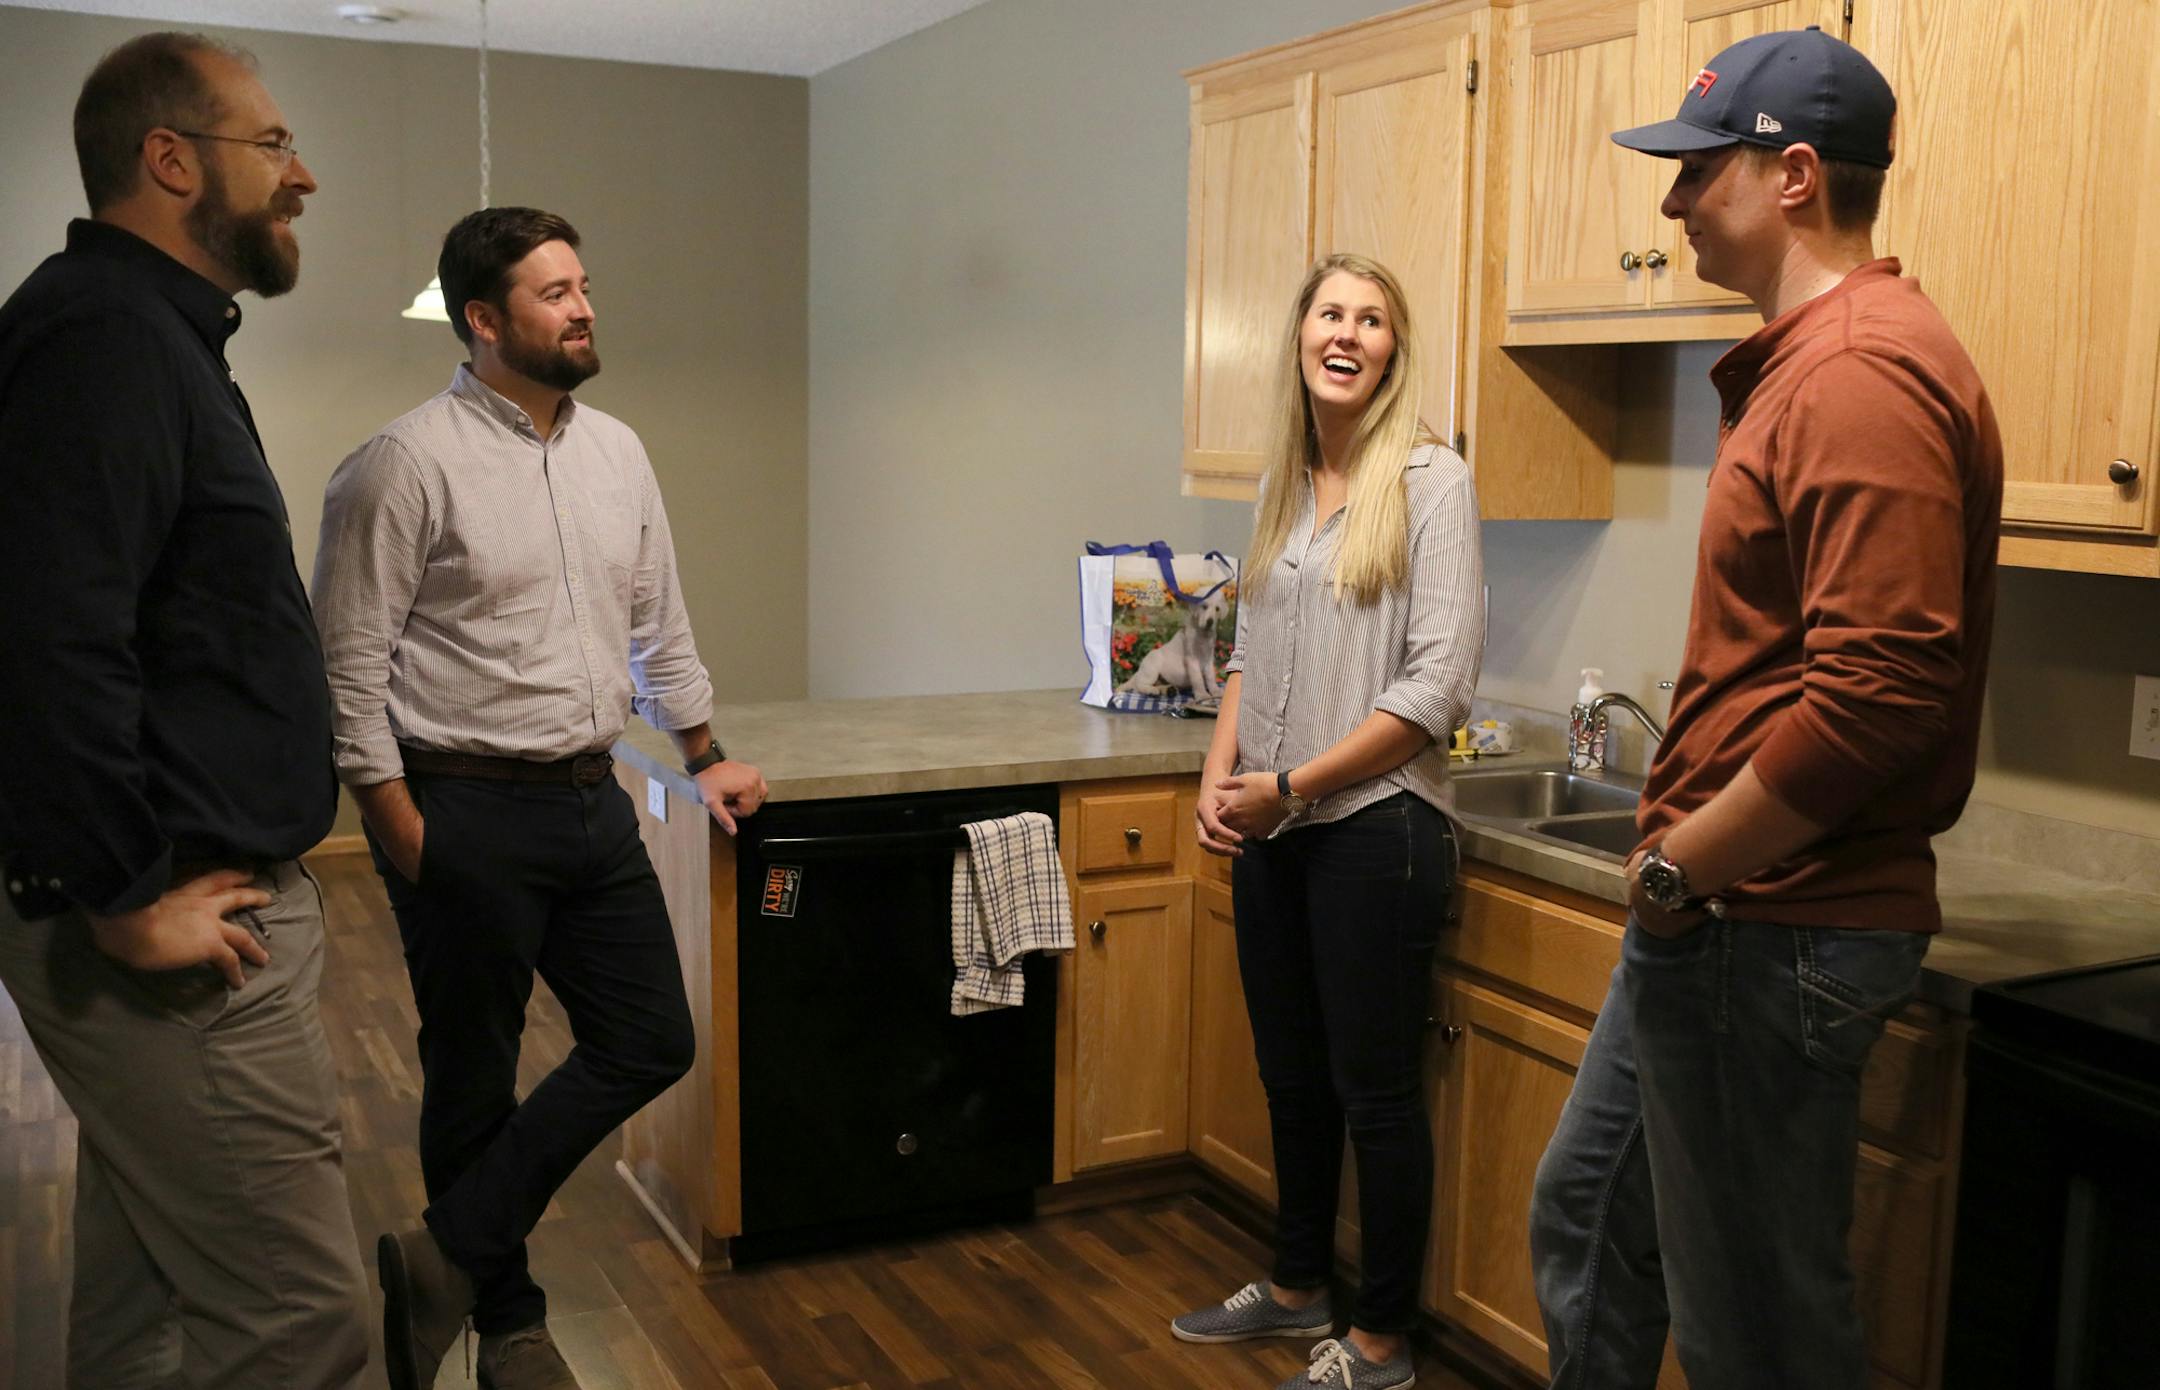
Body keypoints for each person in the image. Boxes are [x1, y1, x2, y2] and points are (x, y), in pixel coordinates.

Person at [1528, 27, 2002, 1390]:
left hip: (1768, 925)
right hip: (1721, 922)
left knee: (1760, 1335)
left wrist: (1680, 867)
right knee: (1588, 1221)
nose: (1672, 203)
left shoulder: (1862, 370)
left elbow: (1883, 691)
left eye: (1697, 171)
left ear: (1794, 174)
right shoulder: (1812, 360)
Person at [312, 206, 768, 1390]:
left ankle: (445, 1256)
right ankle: (509, 1323)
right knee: (473, 1069)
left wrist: (703, 747)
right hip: (463, 809)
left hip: (591, 795)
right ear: (484, 319)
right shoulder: (403, 463)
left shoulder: (617, 449)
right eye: (556, 292)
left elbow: (657, 616)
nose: (584, 307)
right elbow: (348, 665)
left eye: (583, 286)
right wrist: (394, 819)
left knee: (650, 1037)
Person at [0, 31, 371, 1390]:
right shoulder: (102, 336)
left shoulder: (146, 332)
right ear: (170, 159)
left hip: (195, 892)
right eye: (273, 144)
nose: (303, 174)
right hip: (175, 914)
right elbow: (49, 633)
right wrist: (118, 894)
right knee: (303, 1321)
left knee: (148, 1306)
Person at [1174, 252, 1485, 1390]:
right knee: (1291, 1075)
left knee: (1376, 1092)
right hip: (1274, 827)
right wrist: (1221, 779)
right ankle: (1299, 1281)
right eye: (1330, 313)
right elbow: (1251, 656)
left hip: (1373, 830)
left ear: (1394, 348)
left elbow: (1433, 689)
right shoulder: (1287, 480)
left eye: (1372, 319)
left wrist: (1294, 787)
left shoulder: (1432, 480)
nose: (1347, 334)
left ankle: (1384, 1339)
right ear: (1300, 335)